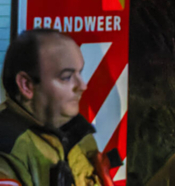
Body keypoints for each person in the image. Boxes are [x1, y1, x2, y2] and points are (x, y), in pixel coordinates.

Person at [0, 29, 108, 186]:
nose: (82, 86)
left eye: (80, 73)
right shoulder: (8, 147)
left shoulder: (78, 132)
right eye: (67, 77)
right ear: (27, 85)